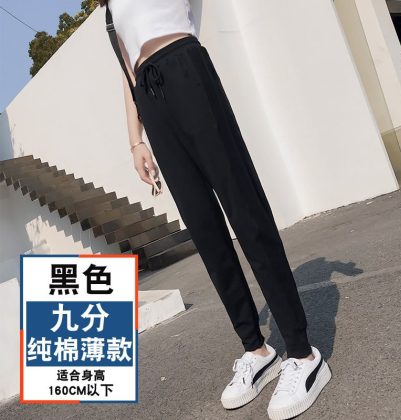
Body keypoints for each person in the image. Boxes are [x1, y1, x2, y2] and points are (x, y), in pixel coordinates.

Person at [100, 0, 332, 418]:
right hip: (149, 97)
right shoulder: (110, 8)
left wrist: (334, 266)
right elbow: (126, 69)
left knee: (244, 209)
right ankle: (256, 350)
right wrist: (135, 141)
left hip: (187, 69)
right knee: (205, 229)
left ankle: (302, 353)